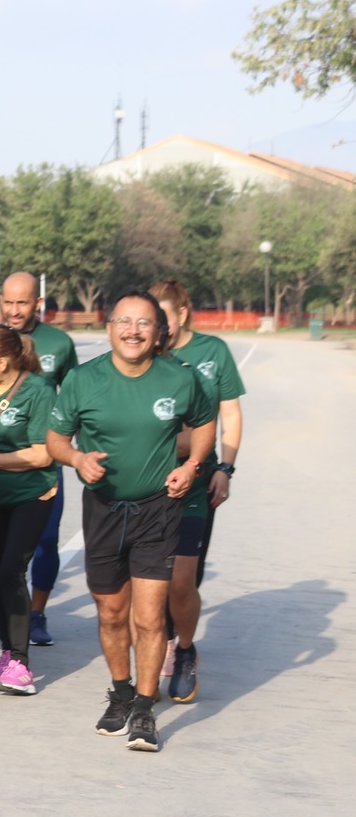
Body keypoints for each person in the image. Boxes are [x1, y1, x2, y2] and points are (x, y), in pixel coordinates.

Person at [46, 290, 215, 753]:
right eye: (124, 321)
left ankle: (144, 707)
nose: (133, 331)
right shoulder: (83, 379)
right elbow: (55, 439)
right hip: (103, 510)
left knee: (149, 616)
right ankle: (120, 693)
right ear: (109, 328)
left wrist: (192, 465)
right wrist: (77, 459)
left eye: (143, 323)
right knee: (110, 612)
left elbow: (205, 422)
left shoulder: (179, 378)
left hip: (158, 509)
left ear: (159, 332)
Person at [0, 271, 80, 641]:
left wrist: (71, 450)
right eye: (8, 302)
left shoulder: (59, 343)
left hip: (38, 459)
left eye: (22, 302)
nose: (14, 310)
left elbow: (73, 398)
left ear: (37, 303)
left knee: (45, 540)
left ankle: (37, 614)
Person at [150, 279, 244, 703]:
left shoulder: (211, 352)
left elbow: (230, 414)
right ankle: (162, 645)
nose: (154, 327)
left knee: (185, 578)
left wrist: (225, 467)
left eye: (162, 318)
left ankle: (180, 644)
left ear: (182, 314)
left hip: (198, 477)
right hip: (148, 484)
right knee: (153, 576)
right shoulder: (145, 356)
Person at [0, 323, 57, 696]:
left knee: (11, 570)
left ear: (3, 362)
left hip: (30, 496)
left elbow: (42, 454)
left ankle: (21, 662)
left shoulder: (38, 391)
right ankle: (6, 653)